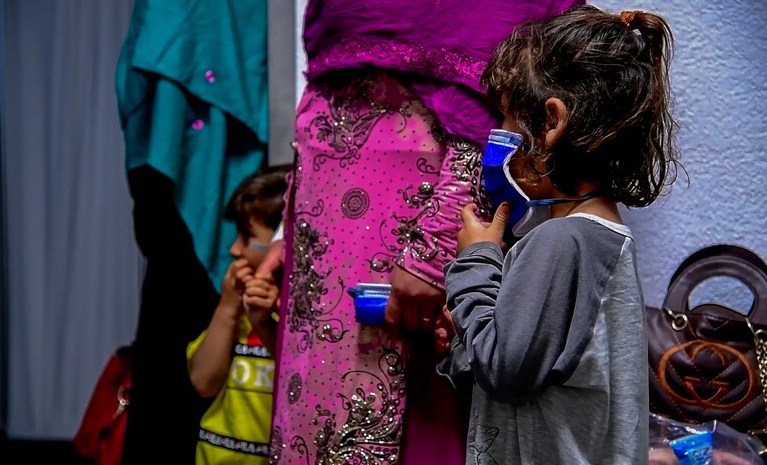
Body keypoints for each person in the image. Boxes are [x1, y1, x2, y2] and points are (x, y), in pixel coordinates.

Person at [266, 1, 583, 464]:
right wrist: (290, 227)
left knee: (401, 409)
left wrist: (438, 242)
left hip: (411, 208)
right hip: (328, 207)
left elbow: (499, 75)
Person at [436, 6, 681, 465]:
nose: (500, 136)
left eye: (508, 120)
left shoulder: (561, 242)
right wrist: (466, 329)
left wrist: (477, 261)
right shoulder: (602, 237)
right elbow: (529, 359)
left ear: (551, 123)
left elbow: (506, 369)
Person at [187, 165, 289, 465]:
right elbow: (203, 382)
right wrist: (228, 307)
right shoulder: (236, 311)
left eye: (247, 236)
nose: (234, 250)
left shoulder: (306, 318)